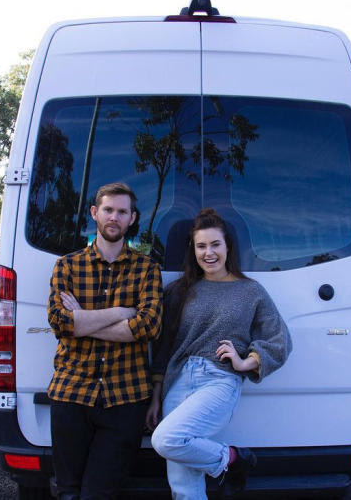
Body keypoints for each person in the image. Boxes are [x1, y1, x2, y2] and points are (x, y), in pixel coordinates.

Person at [148, 208, 292, 499]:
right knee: (183, 487)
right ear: (194, 250)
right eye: (201, 246)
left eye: (215, 245)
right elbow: (163, 347)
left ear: (228, 247)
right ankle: (232, 460)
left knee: (166, 439)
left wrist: (244, 362)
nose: (209, 253)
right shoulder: (181, 290)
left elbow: (280, 340)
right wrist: (156, 395)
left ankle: (231, 459)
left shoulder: (251, 291)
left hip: (218, 380)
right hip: (177, 382)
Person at [46, 182, 162, 500]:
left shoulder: (147, 270)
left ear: (132, 219)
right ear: (95, 213)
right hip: (71, 393)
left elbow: (148, 326)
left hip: (125, 398)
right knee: (67, 492)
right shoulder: (67, 266)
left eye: (122, 212)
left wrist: (82, 320)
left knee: (100, 494)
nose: (114, 217)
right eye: (108, 210)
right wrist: (122, 312)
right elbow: (59, 321)